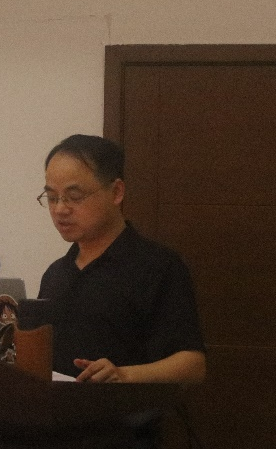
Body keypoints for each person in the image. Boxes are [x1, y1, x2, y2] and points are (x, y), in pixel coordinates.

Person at [36, 134, 206, 384]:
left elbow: (193, 366)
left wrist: (124, 374)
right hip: (57, 407)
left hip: (125, 407)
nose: (60, 209)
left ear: (116, 192)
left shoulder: (159, 267)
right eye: (52, 197)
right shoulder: (56, 274)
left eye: (74, 196)